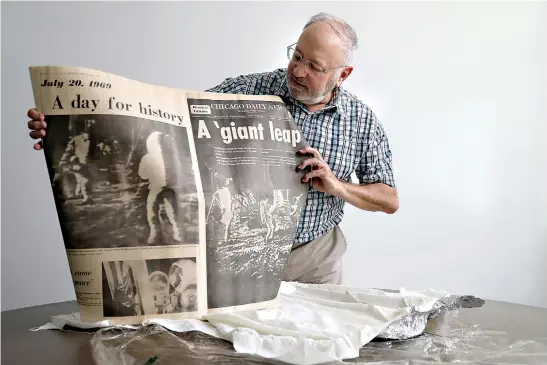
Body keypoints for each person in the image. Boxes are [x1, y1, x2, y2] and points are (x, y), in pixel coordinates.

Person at [26, 12, 399, 285]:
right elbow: (164, 125)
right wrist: (62, 130)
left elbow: (389, 199)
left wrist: (337, 186)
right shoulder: (247, 90)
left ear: (342, 74)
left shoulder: (361, 121)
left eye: (314, 65)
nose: (298, 71)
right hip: (239, 259)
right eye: (296, 55)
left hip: (316, 260)